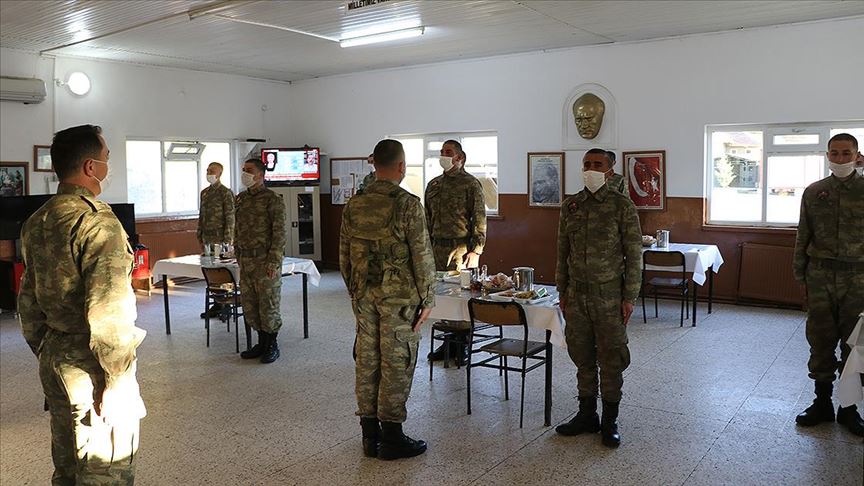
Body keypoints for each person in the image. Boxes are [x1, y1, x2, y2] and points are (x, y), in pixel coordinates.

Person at [18, 124, 146, 484]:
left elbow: (28, 301)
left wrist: (48, 350)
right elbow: (109, 311)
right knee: (107, 467)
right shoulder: (96, 222)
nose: (108, 165)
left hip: (56, 360)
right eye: (106, 158)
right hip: (94, 367)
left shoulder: (38, 220)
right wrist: (118, 381)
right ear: (91, 167)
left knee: (68, 465)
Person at [340, 139, 435, 460]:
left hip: (364, 295)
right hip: (399, 300)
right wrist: (428, 298)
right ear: (401, 166)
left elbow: (344, 256)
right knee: (397, 360)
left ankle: (370, 436)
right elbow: (422, 256)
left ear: (375, 165)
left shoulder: (354, 204)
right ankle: (392, 436)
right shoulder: (407, 204)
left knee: (367, 359)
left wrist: (355, 291)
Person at [554, 147, 642, 448]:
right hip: (577, 296)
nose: (591, 169)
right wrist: (562, 290)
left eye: (598, 164)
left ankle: (609, 420)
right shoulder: (571, 205)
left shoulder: (622, 206)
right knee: (582, 356)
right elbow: (562, 251)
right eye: (587, 164)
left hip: (609, 297)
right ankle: (586, 414)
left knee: (611, 358)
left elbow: (634, 254)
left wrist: (630, 297)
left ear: (610, 170)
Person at [793, 133, 864, 437]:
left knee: (855, 344)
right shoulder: (814, 192)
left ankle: (849, 408)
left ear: (857, 156)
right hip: (820, 276)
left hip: (858, 278)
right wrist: (800, 276)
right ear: (827, 155)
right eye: (834, 153)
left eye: (846, 153)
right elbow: (803, 235)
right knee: (820, 341)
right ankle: (822, 403)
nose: (840, 159)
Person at [424, 139, 487, 362]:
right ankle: (448, 343)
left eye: (448, 152)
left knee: (460, 296)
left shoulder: (470, 184)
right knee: (441, 297)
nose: (443, 155)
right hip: (436, 247)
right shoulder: (434, 185)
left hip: (460, 249)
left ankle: (463, 344)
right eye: (442, 151)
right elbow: (427, 218)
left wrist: (476, 250)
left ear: (460, 157)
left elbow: (479, 218)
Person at [235, 158, 287, 364]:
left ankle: (272, 344)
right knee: (250, 304)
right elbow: (237, 229)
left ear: (260, 174)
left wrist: (274, 261)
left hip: (265, 260)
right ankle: (261, 342)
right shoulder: (240, 199)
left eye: (249, 170)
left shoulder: (272, 199)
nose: (245, 174)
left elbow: (279, 233)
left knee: (268, 303)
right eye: (243, 170)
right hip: (246, 260)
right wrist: (237, 254)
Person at [198, 161, 236, 319]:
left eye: (212, 171)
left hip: (221, 239)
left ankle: (226, 304)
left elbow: (230, 217)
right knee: (211, 271)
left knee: (223, 272)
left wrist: (228, 239)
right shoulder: (205, 193)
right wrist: (199, 234)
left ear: (220, 174)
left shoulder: (225, 193)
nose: (209, 173)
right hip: (207, 238)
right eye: (207, 170)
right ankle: (217, 303)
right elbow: (202, 215)